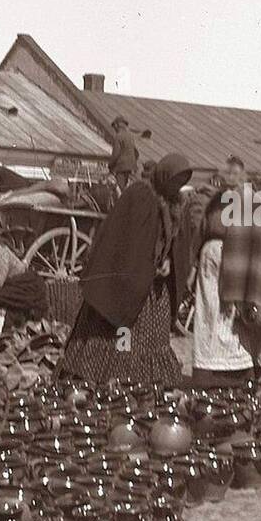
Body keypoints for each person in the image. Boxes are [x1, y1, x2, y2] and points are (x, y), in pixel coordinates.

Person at [63, 154, 193, 384]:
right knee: (116, 338)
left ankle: (145, 386)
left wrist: (167, 263)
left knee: (149, 343)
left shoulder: (175, 205)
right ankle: (109, 382)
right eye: (173, 181)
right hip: (127, 287)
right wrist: (148, 266)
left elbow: (173, 245)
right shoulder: (140, 194)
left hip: (153, 293)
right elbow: (128, 242)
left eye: (179, 183)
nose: (176, 187)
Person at [191, 156, 261, 386]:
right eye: (226, 180)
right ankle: (209, 372)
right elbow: (201, 230)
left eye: (235, 179)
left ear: (243, 179)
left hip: (240, 266)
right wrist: (195, 263)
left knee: (237, 318)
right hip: (212, 263)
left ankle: (237, 372)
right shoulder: (215, 201)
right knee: (212, 315)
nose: (230, 185)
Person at [108, 116, 139, 190]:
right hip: (132, 167)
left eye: (114, 126)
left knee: (119, 188)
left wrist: (110, 165)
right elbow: (136, 153)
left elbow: (116, 154)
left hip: (121, 168)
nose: (114, 129)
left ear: (117, 125)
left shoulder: (118, 137)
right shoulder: (131, 136)